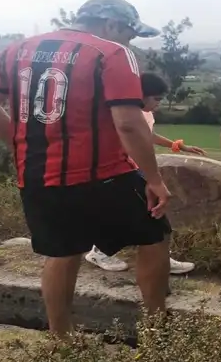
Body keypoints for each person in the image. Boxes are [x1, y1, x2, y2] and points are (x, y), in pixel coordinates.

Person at [0, 0, 173, 336]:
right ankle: (156, 328)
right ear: (112, 26)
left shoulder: (15, 50)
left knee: (62, 252)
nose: (129, 42)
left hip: (37, 175)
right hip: (103, 174)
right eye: (130, 34)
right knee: (155, 234)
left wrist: (24, 145)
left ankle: (61, 339)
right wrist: (155, 180)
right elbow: (130, 124)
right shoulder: (111, 53)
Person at [84, 72, 206, 275]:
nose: (158, 104)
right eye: (156, 99)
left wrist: (177, 146)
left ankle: (158, 257)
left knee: (149, 213)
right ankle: (100, 252)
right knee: (147, 212)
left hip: (134, 168)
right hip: (120, 170)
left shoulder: (144, 113)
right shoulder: (124, 113)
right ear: (140, 94)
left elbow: (148, 134)